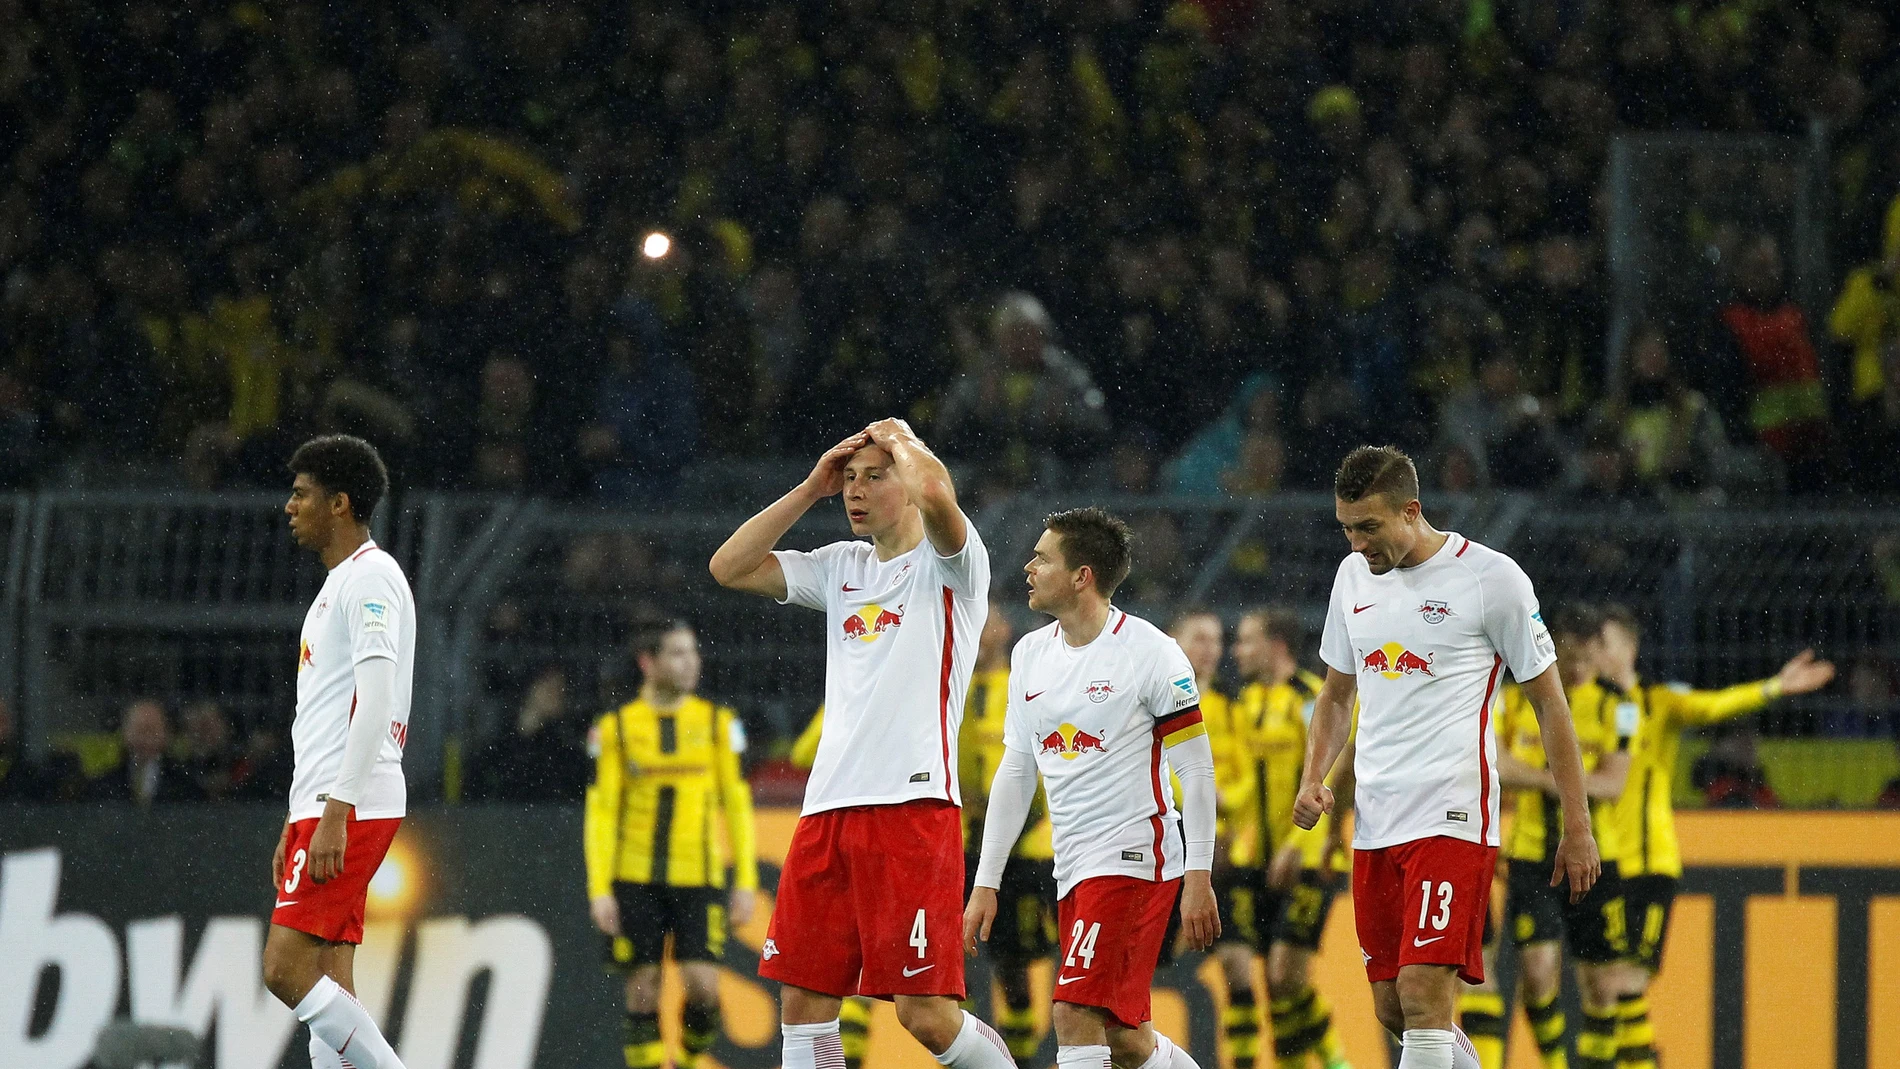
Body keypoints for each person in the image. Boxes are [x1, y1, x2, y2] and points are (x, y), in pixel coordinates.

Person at [709, 419, 1010, 1069]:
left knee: (922, 1012)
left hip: (912, 805)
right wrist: (806, 488)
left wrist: (903, 440)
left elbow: (936, 495)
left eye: (875, 476)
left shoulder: (954, 565)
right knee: (804, 1001)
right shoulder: (841, 567)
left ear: (906, 478)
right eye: (850, 478)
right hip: (826, 809)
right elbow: (727, 566)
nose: (857, 490)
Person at [1293, 445, 1598, 1069]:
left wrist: (1578, 825)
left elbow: (1551, 706)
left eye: (1369, 527)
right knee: (1392, 1008)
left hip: (1453, 815)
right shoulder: (1351, 579)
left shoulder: (1492, 580)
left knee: (1424, 996)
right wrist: (1313, 779)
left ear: (1411, 511)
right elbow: (1335, 695)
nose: (1357, 544)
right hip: (1377, 821)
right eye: (1347, 528)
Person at [964, 507, 1218, 1069]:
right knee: (1125, 1036)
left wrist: (1199, 872)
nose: (1027, 567)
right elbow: (1016, 771)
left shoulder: (1151, 653)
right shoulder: (1029, 654)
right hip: (1071, 864)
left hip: (1135, 857)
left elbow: (1196, 770)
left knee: (1072, 1015)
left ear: (1082, 575)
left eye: (1042, 558)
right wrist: (986, 881)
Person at [1595, 604, 1834, 1069]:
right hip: (1605, 862)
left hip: (1651, 863)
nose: (1595, 653)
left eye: (1602, 643)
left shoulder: (1659, 703)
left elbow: (1714, 703)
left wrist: (1773, 687)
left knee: (1627, 981)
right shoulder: (1587, 707)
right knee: (1607, 985)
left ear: (1628, 648)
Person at [260, 434, 413, 1069]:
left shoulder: (371, 578)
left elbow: (375, 702)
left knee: (283, 969)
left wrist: (334, 811)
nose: (290, 507)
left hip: (351, 801)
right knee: (329, 973)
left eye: (302, 495)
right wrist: (299, 814)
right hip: (326, 801)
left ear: (340, 504)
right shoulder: (339, 584)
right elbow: (327, 717)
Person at [585, 620, 759, 1069]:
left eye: (693, 652)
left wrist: (745, 879)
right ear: (649, 662)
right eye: (678, 653)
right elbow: (601, 812)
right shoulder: (617, 728)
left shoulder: (717, 722)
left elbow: (736, 803)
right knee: (643, 987)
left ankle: (685, 1059)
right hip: (634, 876)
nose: (691, 662)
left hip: (697, 876)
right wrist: (600, 888)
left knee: (703, 988)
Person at [1479, 605, 1634, 1069]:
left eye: (1589, 654)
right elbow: (1497, 766)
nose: (1580, 665)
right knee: (1538, 973)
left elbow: (1614, 784)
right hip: (1531, 856)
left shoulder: (1619, 706)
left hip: (1597, 857)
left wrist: (1547, 778)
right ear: (1554, 647)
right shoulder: (1515, 699)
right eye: (1572, 654)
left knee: (1602, 987)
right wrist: (1564, 778)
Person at [1226, 608, 1353, 1069]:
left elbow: (1333, 778)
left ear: (1276, 645)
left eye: (1246, 640)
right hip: (1254, 858)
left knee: (1284, 974)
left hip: (1308, 856)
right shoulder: (1245, 702)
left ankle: (1339, 1062)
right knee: (1278, 986)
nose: (1237, 650)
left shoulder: (1313, 699)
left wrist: (1297, 845)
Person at [958, 605, 1060, 1068]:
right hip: (959, 843)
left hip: (1018, 848)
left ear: (1003, 629)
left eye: (986, 624)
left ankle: (1019, 1059)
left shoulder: (1022, 688)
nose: (978, 635)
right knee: (954, 965)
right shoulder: (952, 688)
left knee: (1014, 967)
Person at [87, 699, 200, 805]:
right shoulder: (102, 785)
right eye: (140, 730)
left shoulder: (185, 784)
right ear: (125, 732)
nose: (146, 738)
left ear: (166, 734)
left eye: (152, 730)